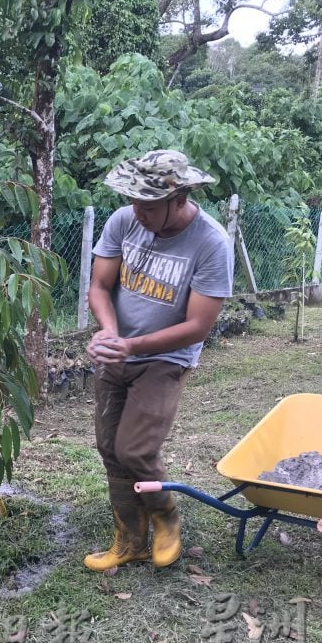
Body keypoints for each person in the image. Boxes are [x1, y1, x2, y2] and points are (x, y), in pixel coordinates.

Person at [83, 149, 233, 572]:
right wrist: (111, 333)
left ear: (180, 199)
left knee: (135, 447)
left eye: (149, 205)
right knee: (110, 448)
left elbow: (198, 326)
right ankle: (129, 539)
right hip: (118, 350)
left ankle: (166, 515)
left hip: (167, 358)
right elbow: (99, 285)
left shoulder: (211, 243)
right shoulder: (123, 221)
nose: (139, 213)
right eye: (135, 201)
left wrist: (132, 346)